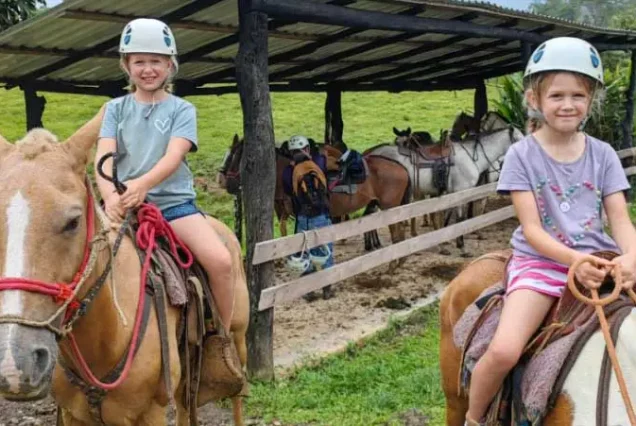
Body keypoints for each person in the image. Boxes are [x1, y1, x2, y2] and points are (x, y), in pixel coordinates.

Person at [465, 37, 636, 425]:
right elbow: (532, 229)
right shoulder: (522, 155)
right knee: (506, 349)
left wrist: (631, 257)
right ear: (534, 99)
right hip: (542, 263)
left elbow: (620, 220)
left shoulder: (603, 154)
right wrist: (575, 260)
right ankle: (474, 418)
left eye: (578, 94)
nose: (568, 104)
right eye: (557, 95)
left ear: (591, 100)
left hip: (601, 261)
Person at [95, 18, 234, 333]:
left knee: (221, 262)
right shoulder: (114, 109)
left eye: (155, 61)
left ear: (170, 65)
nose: (147, 69)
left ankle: (219, 338)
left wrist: (142, 184)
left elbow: (174, 156)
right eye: (139, 61)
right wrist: (109, 197)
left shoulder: (181, 110)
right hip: (122, 204)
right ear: (126, 65)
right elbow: (102, 158)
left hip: (172, 205)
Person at [282, 135, 335, 300]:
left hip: (302, 217)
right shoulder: (318, 163)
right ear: (307, 149)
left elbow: (289, 192)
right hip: (321, 215)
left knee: (304, 252)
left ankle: (309, 290)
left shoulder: (288, 172)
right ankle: (327, 288)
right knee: (326, 249)